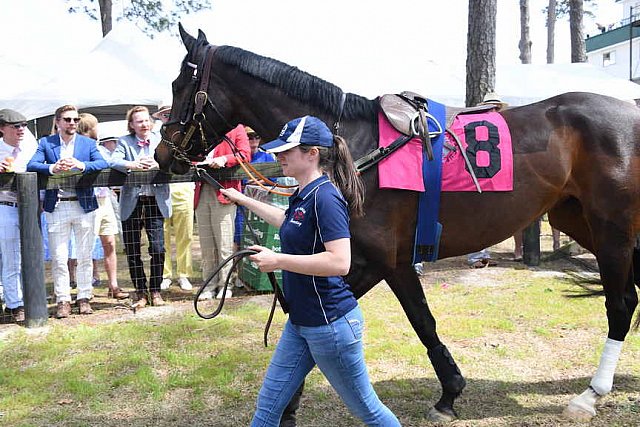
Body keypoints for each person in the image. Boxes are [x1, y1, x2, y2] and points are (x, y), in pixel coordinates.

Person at [221, 116, 400, 426]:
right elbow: (287, 222)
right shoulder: (305, 192)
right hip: (303, 323)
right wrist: (240, 198)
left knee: (368, 411)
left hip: (330, 325)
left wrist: (278, 261)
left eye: (286, 151)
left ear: (312, 153)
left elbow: (339, 262)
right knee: (267, 409)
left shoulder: (326, 198)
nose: (279, 157)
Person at [27, 105, 108, 318]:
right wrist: (52, 168)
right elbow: (31, 164)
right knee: (59, 257)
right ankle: (63, 298)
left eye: (74, 119)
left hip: (84, 205)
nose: (72, 123)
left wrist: (82, 165)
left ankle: (84, 296)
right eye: (67, 119)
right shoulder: (46, 143)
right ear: (57, 122)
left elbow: (103, 162)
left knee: (85, 254)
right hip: (58, 204)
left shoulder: (88, 143)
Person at [110, 106, 171, 308]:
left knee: (158, 248)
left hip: (155, 200)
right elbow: (114, 160)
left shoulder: (160, 139)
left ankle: (155, 290)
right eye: (139, 121)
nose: (144, 124)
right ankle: (140, 291)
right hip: (132, 202)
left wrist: (157, 164)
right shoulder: (124, 142)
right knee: (133, 250)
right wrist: (133, 164)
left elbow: (171, 159)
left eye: (146, 120)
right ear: (131, 125)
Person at [195, 123, 251, 299]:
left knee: (224, 242)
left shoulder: (237, 129)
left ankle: (225, 284)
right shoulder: (201, 128)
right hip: (202, 189)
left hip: (224, 190)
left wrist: (224, 159)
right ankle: (208, 285)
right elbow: (189, 155)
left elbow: (245, 154)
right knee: (206, 244)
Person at [77, 114, 128, 300]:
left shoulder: (101, 149)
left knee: (110, 242)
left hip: (104, 200)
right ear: (89, 128)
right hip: (88, 201)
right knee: (86, 246)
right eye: (96, 126)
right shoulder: (79, 149)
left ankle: (113, 285)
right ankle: (86, 288)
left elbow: (110, 163)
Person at [0, 109, 37, 323]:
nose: (21, 129)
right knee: (11, 257)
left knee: (31, 255)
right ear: (2, 128)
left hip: (30, 207)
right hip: (6, 206)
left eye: (23, 125)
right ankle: (15, 305)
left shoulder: (30, 147)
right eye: (15, 126)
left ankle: (31, 298)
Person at [152, 105, 194, 292]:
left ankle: (184, 274)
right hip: (161, 189)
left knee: (185, 235)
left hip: (183, 187)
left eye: (170, 112)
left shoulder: (186, 131)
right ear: (160, 116)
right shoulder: (154, 133)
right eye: (164, 114)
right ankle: (165, 274)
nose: (167, 116)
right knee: (163, 236)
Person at [467, 92, 507, 268]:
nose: (494, 110)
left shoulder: (500, 127)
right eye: (492, 107)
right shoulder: (481, 126)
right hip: (478, 177)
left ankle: (482, 254)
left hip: (493, 177)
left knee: (486, 219)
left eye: (496, 108)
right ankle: (476, 255)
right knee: (476, 217)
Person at [233, 126, 276, 257]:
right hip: (241, 202)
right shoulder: (240, 156)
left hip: (261, 202)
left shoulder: (267, 156)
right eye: (250, 137)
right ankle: (237, 266)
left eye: (256, 136)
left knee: (258, 233)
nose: (254, 140)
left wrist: (257, 182)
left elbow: (274, 180)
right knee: (238, 234)